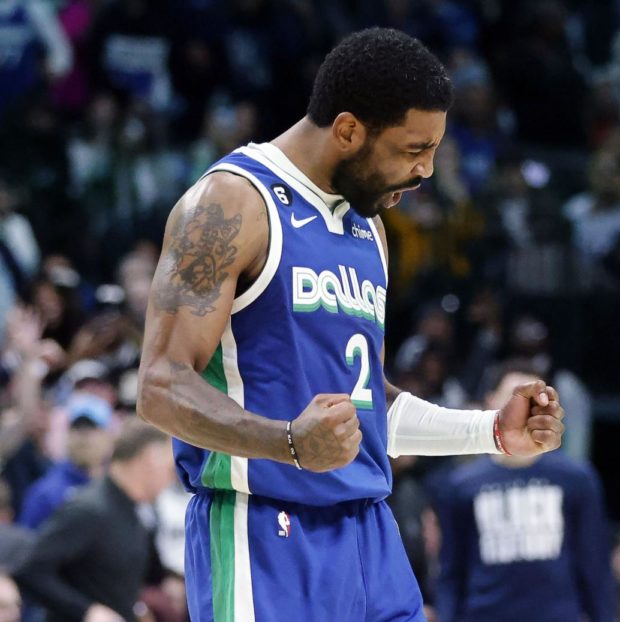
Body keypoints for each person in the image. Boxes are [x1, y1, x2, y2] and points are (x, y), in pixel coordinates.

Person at [136, 27, 566, 622]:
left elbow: (367, 410)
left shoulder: (369, 228)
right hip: (266, 531)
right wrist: (286, 443)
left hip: (370, 534)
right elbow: (159, 386)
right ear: (347, 130)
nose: (426, 170)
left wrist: (490, 432)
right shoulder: (232, 203)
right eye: (414, 149)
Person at [435, 364, 615, 622]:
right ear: (490, 402)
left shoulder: (576, 479)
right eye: (515, 398)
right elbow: (451, 571)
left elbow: (594, 564)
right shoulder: (461, 485)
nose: (525, 410)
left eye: (536, 402)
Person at [14, 418, 174, 622]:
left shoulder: (137, 512)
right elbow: (30, 571)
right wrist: (86, 611)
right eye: (169, 469)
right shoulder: (89, 510)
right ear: (150, 459)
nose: (171, 479)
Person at [17, 392, 113, 529]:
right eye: (76, 427)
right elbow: (27, 544)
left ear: (108, 436)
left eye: (92, 427)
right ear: (67, 435)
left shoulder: (121, 486)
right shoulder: (46, 493)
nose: (83, 436)